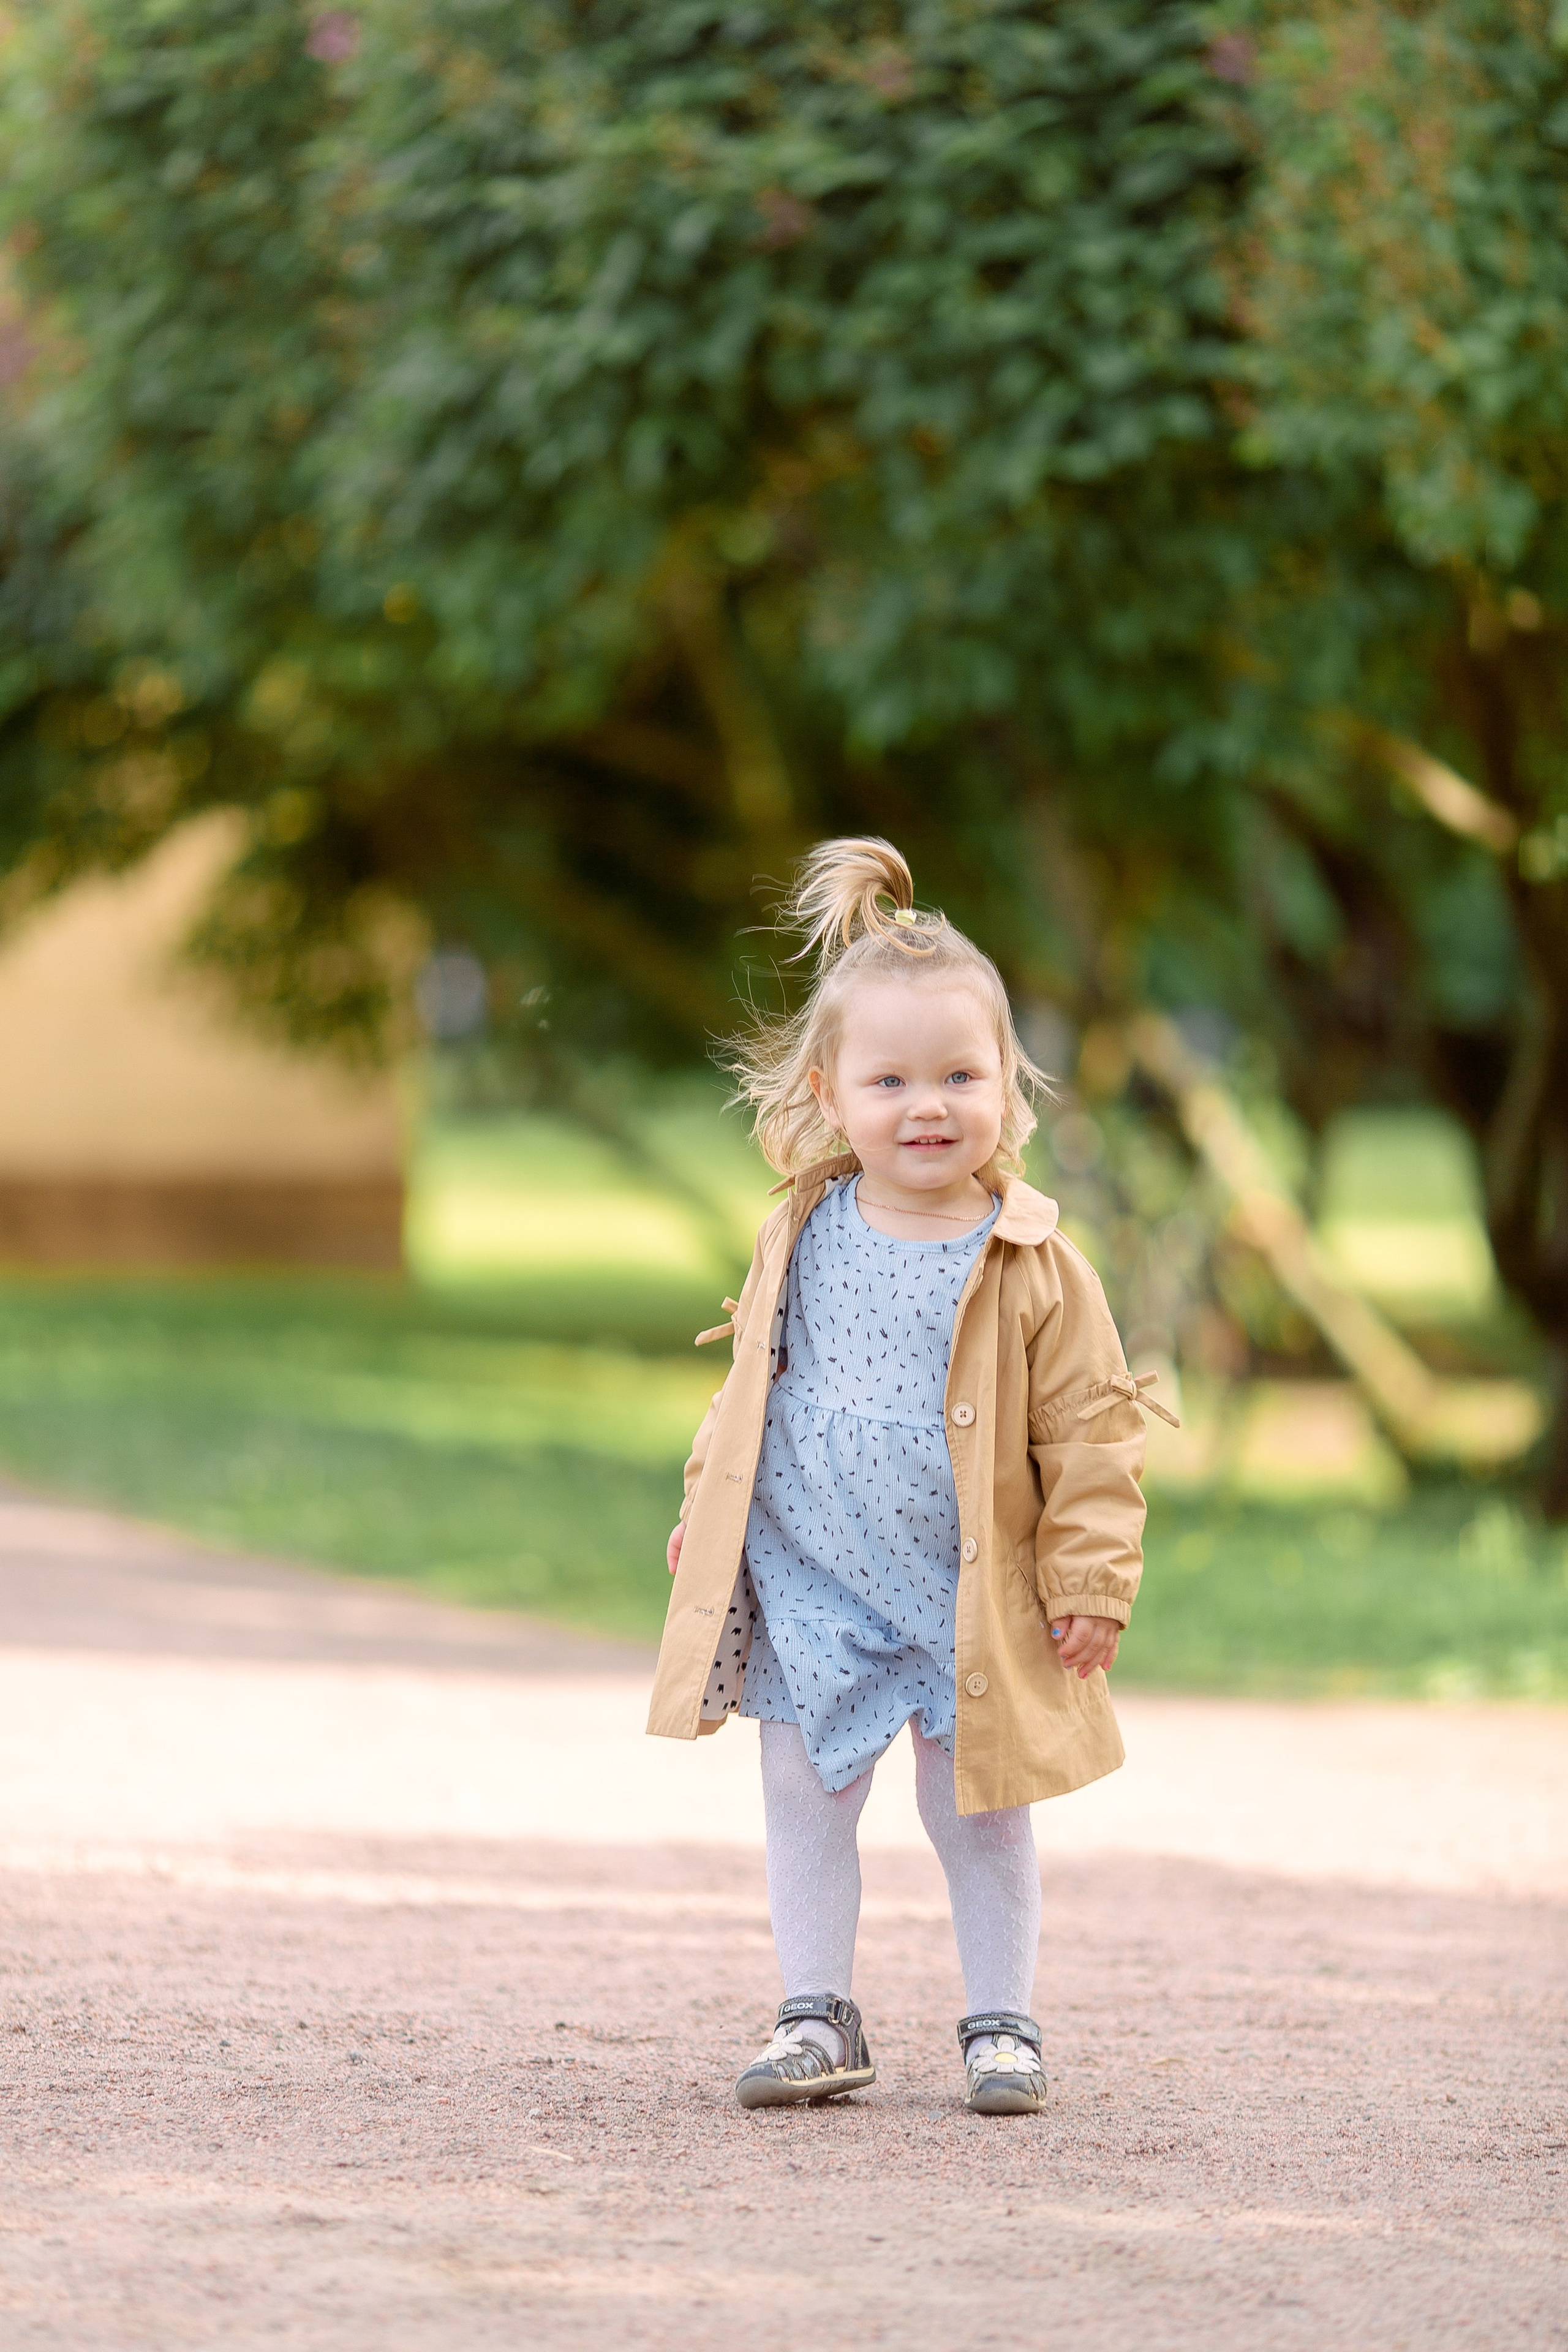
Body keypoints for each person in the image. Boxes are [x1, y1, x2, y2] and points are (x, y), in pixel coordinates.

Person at [646, 837, 1171, 2115]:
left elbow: (1095, 1434)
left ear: (1008, 1087)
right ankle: (814, 2013)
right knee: (803, 1788)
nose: (925, 1105)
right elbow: (751, 1381)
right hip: (815, 1565)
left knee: (977, 1808)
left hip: (963, 1592)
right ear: (830, 1093)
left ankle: (1002, 2023)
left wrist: (1089, 1577)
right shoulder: (800, 1226)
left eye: (958, 1075)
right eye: (890, 1079)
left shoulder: (1035, 1261)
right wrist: (702, 1505)